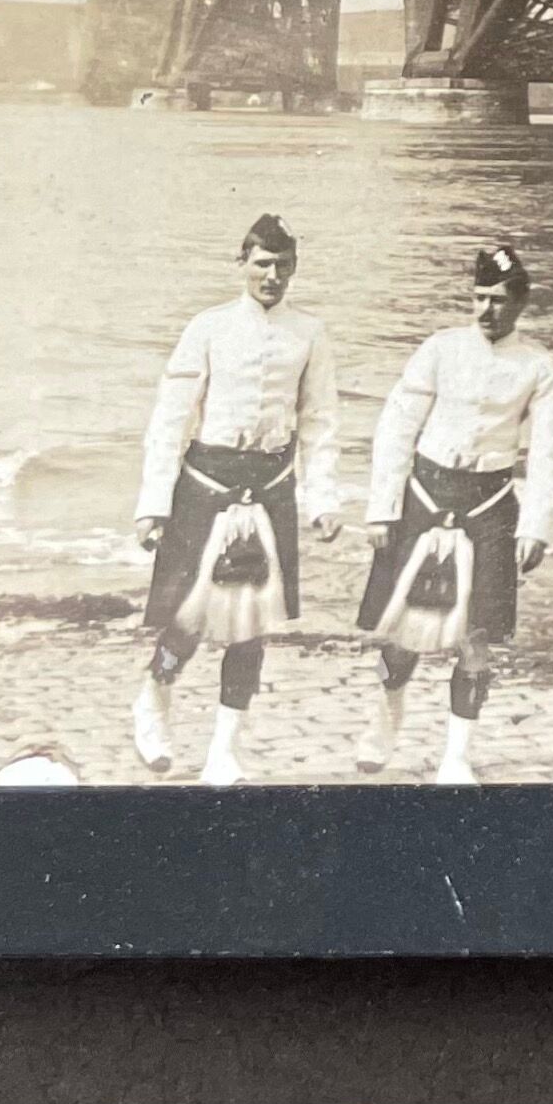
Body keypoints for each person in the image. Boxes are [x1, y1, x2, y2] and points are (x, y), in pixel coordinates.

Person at [130, 212, 344, 786]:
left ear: (295, 267)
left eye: (282, 264)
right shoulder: (208, 327)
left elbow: (320, 421)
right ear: (242, 264)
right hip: (206, 484)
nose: (272, 275)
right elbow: (171, 417)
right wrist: (153, 501)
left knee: (252, 625)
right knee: (188, 619)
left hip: (271, 488)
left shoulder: (311, 333)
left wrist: (324, 498)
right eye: (262, 263)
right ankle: (154, 699)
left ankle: (224, 749)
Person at [355, 243, 553, 785]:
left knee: (477, 637)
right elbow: (397, 427)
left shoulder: (538, 366)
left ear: (520, 304)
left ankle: (456, 756)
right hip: (425, 496)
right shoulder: (439, 349)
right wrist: (382, 509)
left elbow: (548, 451)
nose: (485, 310)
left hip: (491, 503)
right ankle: (385, 721)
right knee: (403, 631)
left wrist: (535, 526)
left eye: (498, 300)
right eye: (478, 298)